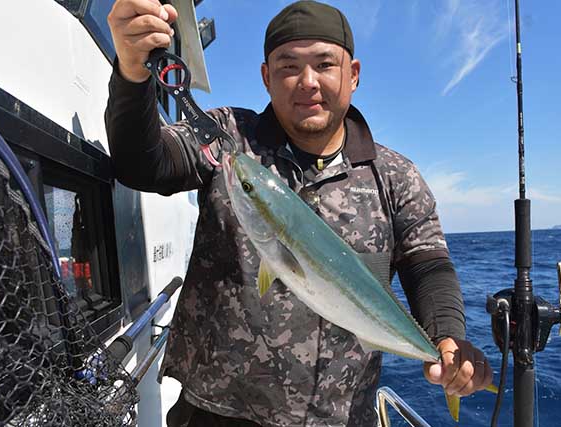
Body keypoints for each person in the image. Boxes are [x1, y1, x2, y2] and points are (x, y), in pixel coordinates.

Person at [105, 1, 493, 426]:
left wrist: (447, 337)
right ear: (267, 78)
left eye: (325, 64)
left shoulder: (396, 176)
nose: (307, 82)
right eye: (289, 67)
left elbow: (429, 266)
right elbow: (143, 164)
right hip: (215, 411)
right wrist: (132, 73)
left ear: (354, 74)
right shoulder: (230, 140)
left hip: (341, 417)